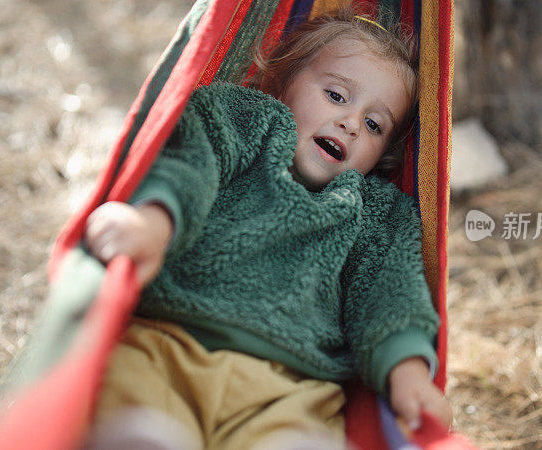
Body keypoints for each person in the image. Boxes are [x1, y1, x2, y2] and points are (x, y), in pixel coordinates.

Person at [83, 6, 452, 449]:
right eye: (336, 95)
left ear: (386, 152)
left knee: (299, 440)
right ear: (282, 81)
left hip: (289, 387)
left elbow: (391, 290)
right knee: (133, 405)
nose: (351, 123)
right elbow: (193, 165)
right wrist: (153, 221)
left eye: (375, 125)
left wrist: (407, 370)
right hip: (169, 341)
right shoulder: (244, 123)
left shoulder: (377, 211)